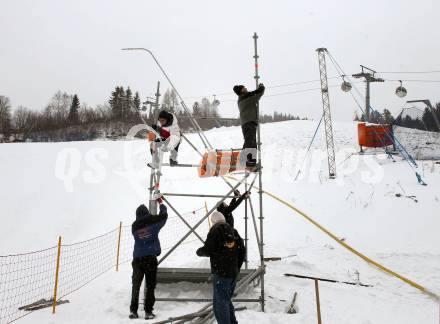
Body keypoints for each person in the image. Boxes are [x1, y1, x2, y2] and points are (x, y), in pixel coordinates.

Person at [196, 211, 245, 324]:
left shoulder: (215, 230)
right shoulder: (234, 231)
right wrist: (237, 268)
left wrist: (199, 252)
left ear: (213, 221)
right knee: (226, 301)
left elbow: (208, 250)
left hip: (221, 273)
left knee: (220, 304)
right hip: (232, 274)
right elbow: (242, 250)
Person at [129, 203, 168, 320]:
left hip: (137, 259)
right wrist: (162, 205)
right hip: (150, 258)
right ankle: (148, 312)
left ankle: (133, 311)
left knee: (136, 286)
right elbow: (163, 216)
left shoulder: (134, 226)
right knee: (150, 286)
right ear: (147, 212)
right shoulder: (153, 221)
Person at [233, 83, 265, 168]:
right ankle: (242, 160)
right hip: (248, 123)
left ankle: (251, 163)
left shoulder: (245, 97)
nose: (246, 88)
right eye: (244, 88)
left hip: (250, 122)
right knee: (249, 141)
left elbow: (254, 93)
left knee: (253, 143)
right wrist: (261, 87)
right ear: (241, 91)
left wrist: (259, 89)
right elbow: (258, 94)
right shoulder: (245, 98)